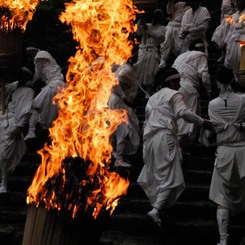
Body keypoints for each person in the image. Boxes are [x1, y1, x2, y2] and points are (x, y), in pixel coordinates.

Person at [137, 67, 211, 229]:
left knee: (158, 174)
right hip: (164, 138)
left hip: (150, 140)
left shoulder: (152, 98)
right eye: (176, 81)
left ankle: (160, 207)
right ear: (170, 82)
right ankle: (156, 210)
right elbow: (184, 113)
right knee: (171, 175)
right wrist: (202, 122)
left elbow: (146, 122)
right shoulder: (174, 94)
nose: (179, 84)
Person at [207, 65, 245, 245]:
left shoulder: (212, 105)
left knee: (221, 196)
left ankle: (223, 239)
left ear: (218, 82)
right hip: (243, 149)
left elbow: (215, 127)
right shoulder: (243, 99)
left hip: (224, 152)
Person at [0, 66, 35, 193]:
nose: (18, 77)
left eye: (21, 76)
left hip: (12, 123)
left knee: (4, 153)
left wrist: (20, 126)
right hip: (2, 120)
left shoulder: (28, 91)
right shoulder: (13, 87)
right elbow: (2, 90)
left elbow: (27, 109)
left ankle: (4, 181)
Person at [172, 38, 211, 145]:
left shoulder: (180, 56)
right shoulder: (200, 55)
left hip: (176, 87)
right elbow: (204, 75)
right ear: (200, 48)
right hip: (188, 89)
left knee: (197, 112)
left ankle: (201, 139)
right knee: (188, 120)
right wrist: (209, 90)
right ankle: (182, 144)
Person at [109, 48, 141, 168]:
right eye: (137, 54)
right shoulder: (126, 69)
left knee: (118, 130)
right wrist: (125, 97)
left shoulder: (127, 68)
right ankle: (119, 159)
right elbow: (114, 83)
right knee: (124, 130)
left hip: (119, 102)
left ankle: (116, 154)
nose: (139, 57)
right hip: (119, 103)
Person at [24, 50, 66, 140]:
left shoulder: (40, 56)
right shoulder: (49, 60)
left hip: (53, 86)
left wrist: (31, 82)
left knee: (34, 106)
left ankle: (31, 131)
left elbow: (37, 74)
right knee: (58, 113)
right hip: (60, 87)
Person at [133, 9, 166, 97]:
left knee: (150, 72)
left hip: (152, 51)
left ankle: (148, 91)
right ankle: (136, 90)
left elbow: (160, 37)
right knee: (138, 70)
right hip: (143, 51)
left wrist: (149, 30)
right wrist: (140, 20)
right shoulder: (147, 25)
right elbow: (138, 32)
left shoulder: (162, 28)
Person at [159, 0, 191, 68]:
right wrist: (170, 2)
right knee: (166, 43)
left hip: (180, 27)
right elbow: (169, 11)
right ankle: (163, 60)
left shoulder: (190, 9)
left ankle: (180, 61)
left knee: (181, 45)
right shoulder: (180, 4)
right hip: (171, 25)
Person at [223, 0, 245, 79]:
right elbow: (231, 30)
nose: (237, 3)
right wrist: (225, 42)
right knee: (233, 61)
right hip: (233, 42)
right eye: (236, 2)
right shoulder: (235, 15)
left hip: (243, 40)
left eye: (239, 1)